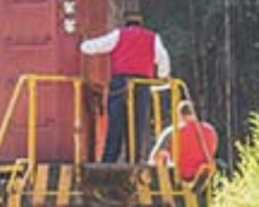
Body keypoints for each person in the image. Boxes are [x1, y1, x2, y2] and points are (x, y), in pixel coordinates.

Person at [80, 11, 170, 163]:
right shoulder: (153, 38)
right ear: (141, 23)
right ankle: (133, 160)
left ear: (126, 23)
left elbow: (94, 47)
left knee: (116, 123)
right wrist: (162, 77)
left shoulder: (118, 35)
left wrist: (83, 45)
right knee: (137, 124)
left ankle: (109, 160)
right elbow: (163, 59)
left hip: (120, 84)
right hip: (142, 84)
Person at [149, 100, 218, 181]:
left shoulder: (172, 131)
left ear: (179, 114)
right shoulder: (210, 131)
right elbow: (212, 153)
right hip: (202, 180)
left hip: (178, 180)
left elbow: (154, 157)